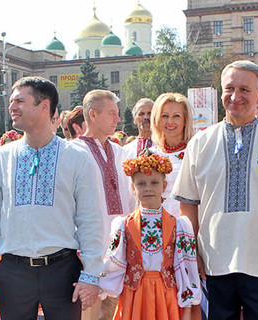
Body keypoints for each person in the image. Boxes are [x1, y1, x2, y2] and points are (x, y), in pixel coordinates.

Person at [172, 60, 258, 319]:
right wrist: (192, 254)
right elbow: (188, 204)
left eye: (245, 90)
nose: (235, 96)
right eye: (229, 89)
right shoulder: (201, 142)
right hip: (215, 263)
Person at [0, 76, 104, 320]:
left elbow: (91, 219)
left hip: (63, 271)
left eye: (20, 101)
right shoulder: (1, 158)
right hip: (13, 272)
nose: (12, 107)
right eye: (11, 101)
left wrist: (92, 273)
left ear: (45, 106)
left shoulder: (76, 157)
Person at [100, 151, 201, 319]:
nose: (148, 188)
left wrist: (188, 306)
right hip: (134, 296)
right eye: (141, 183)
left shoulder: (178, 225)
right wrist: (95, 281)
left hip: (166, 295)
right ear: (133, 187)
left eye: (154, 182)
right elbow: (113, 264)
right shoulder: (124, 225)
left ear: (164, 186)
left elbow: (185, 268)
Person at [72, 89, 136, 320]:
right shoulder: (72, 152)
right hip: (87, 252)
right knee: (87, 314)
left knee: (115, 314)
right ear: (93, 115)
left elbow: (131, 198)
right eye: (112, 113)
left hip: (120, 251)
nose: (118, 119)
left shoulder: (121, 152)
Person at [148, 92, 194, 216]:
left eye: (176, 116)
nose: (170, 121)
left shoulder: (196, 152)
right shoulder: (149, 156)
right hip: (157, 228)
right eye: (165, 116)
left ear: (185, 120)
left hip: (190, 226)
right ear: (157, 119)